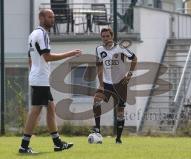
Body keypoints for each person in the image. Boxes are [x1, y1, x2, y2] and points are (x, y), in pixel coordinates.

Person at [18, 9, 81, 154]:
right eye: (49, 17)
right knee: (36, 111)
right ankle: (24, 146)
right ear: (41, 18)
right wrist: (70, 54)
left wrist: (35, 73)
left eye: (53, 17)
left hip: (38, 78)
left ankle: (58, 143)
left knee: (51, 108)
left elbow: (30, 58)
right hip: (40, 79)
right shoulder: (42, 34)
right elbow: (47, 57)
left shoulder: (33, 34)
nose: (52, 19)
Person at [93, 28, 137, 144]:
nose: (105, 38)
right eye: (103, 36)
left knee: (120, 111)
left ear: (112, 37)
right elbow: (99, 66)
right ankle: (97, 129)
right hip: (107, 83)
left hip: (120, 84)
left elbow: (134, 59)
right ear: (101, 38)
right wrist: (101, 84)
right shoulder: (99, 49)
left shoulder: (120, 48)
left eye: (107, 36)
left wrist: (129, 75)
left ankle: (118, 138)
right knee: (96, 100)